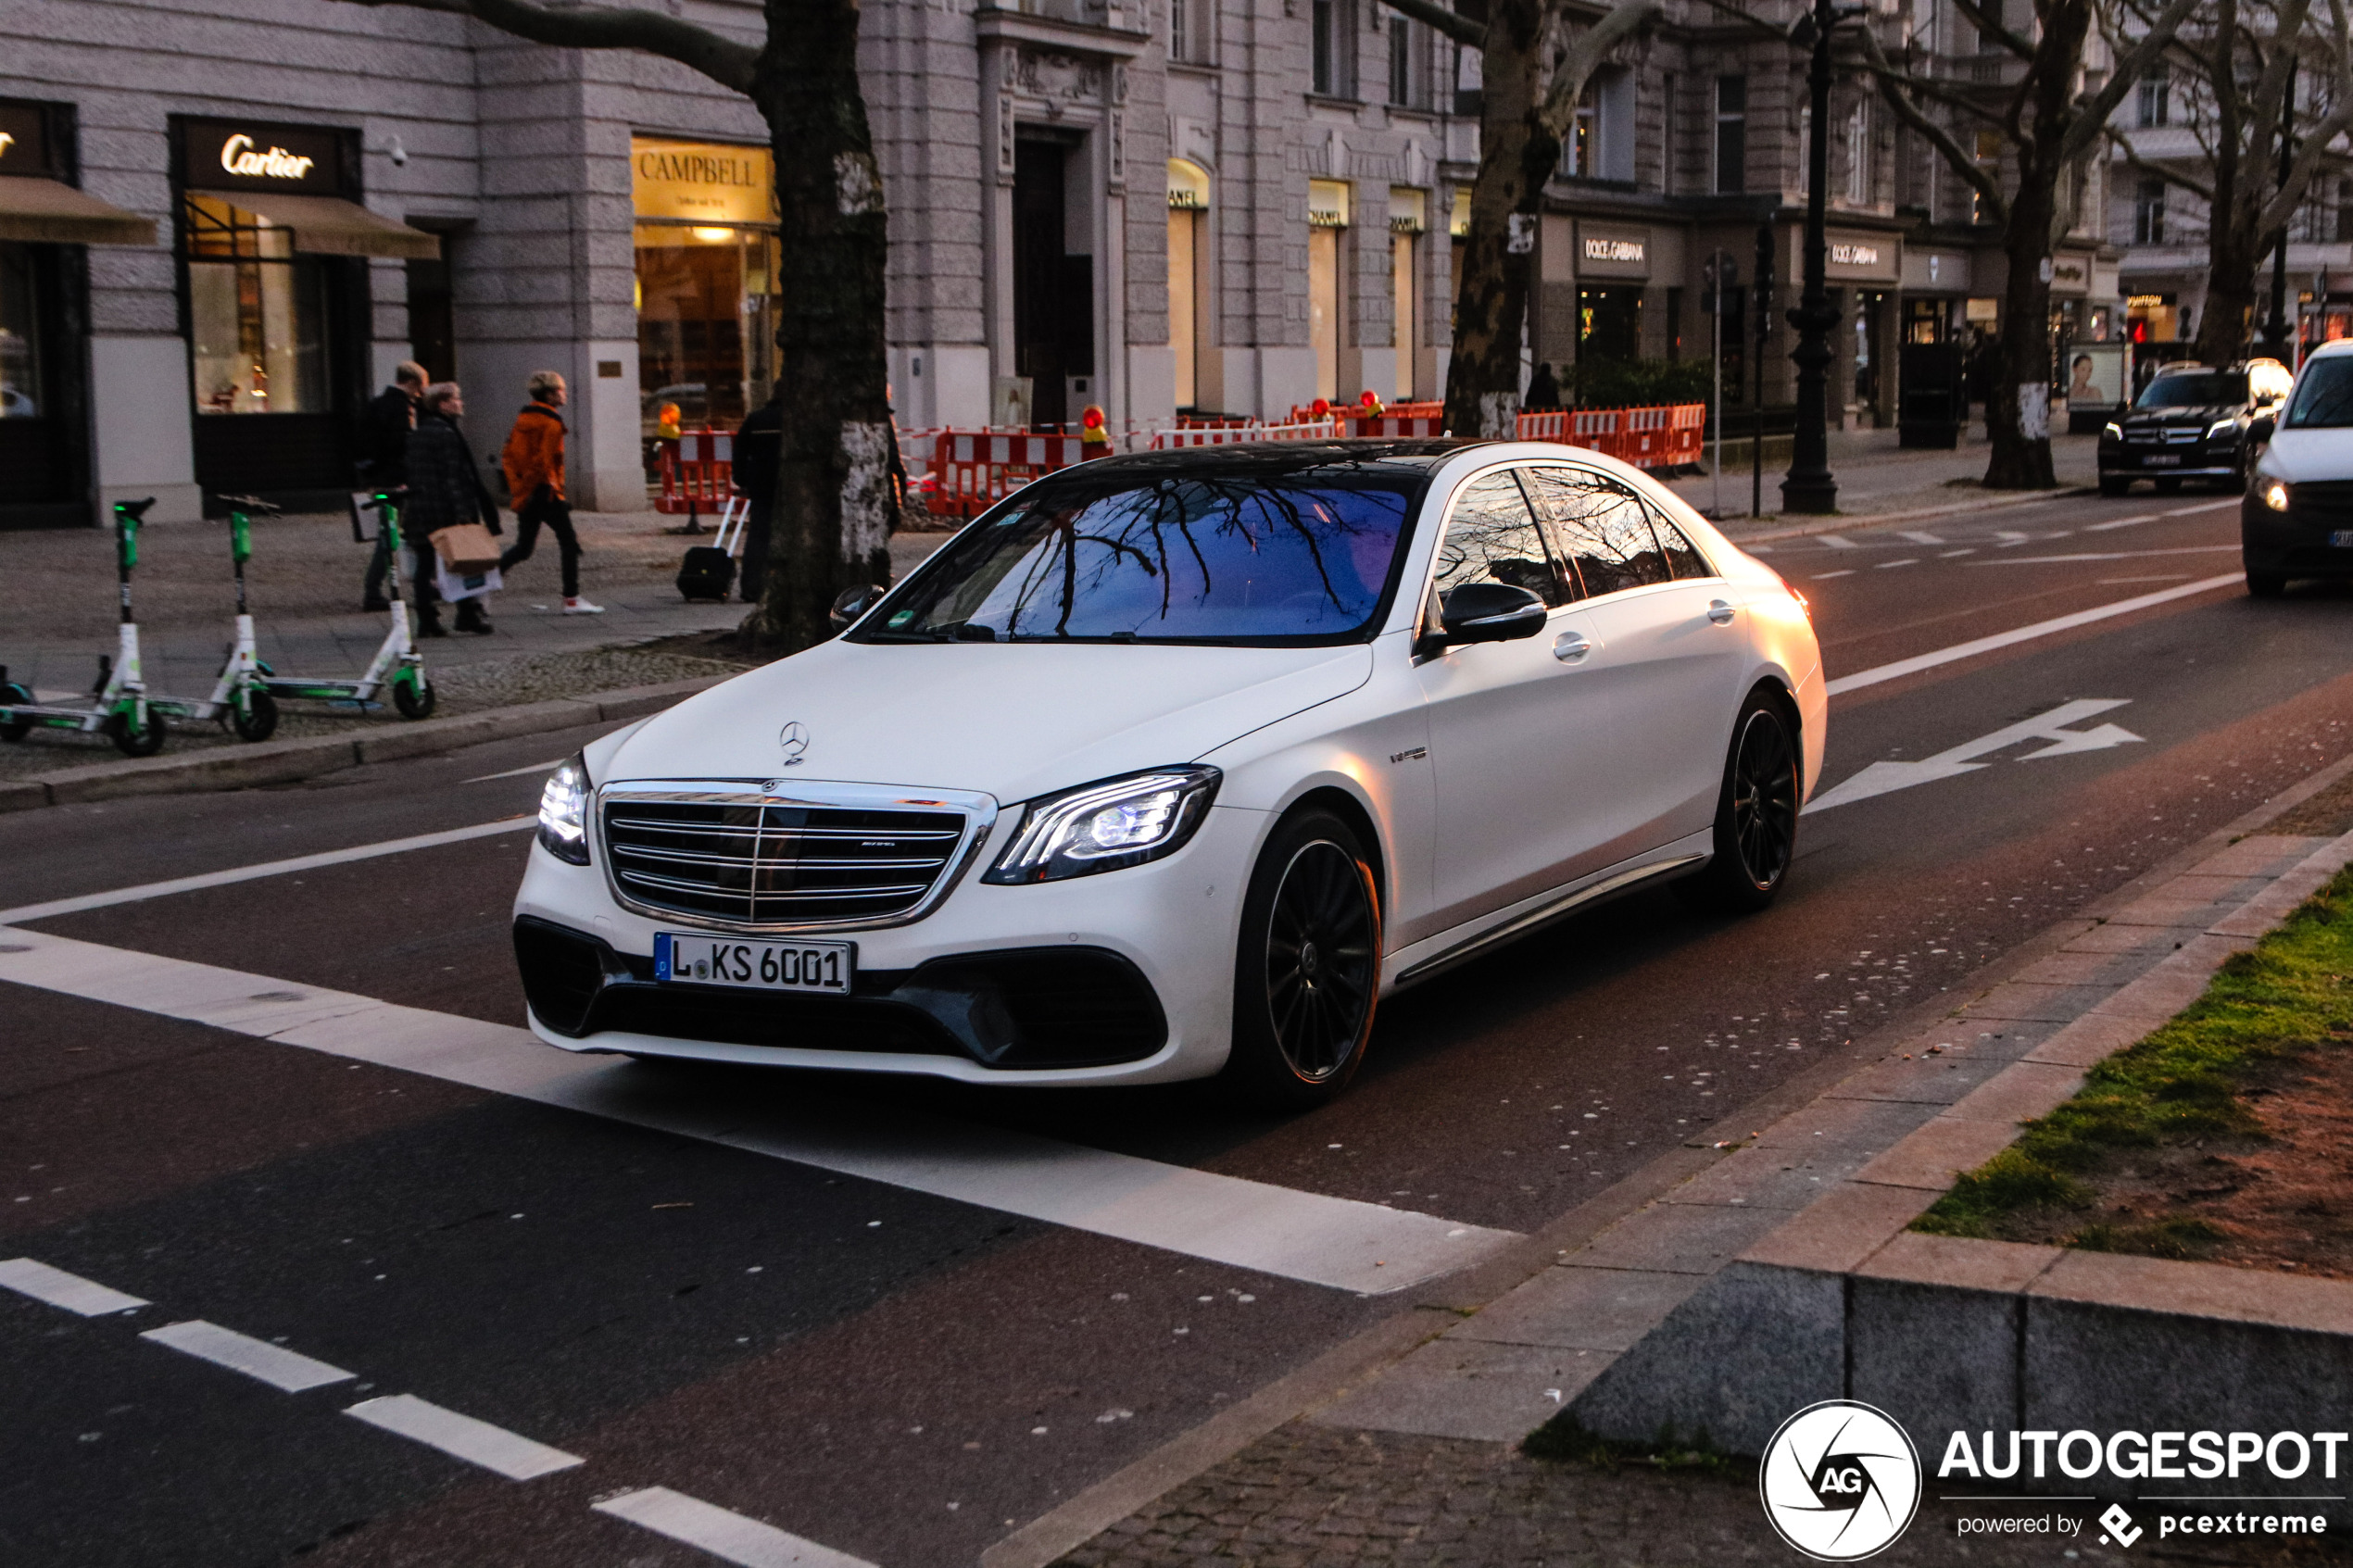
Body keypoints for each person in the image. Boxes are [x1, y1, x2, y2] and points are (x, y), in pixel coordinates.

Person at [498, 370, 600, 614]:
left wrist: (519, 490)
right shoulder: (551, 423)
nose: (565, 394)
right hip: (545, 491)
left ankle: (479, 585)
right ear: (551, 394)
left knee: (523, 548)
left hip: (528, 490)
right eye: (561, 390)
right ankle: (571, 598)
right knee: (568, 542)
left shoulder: (523, 419)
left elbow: (509, 457)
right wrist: (547, 491)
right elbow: (545, 463)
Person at [404, 383, 502, 636]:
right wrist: (463, 515)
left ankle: (427, 619)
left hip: (421, 507)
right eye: (456, 399)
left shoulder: (419, 432)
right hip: (444, 509)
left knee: (425, 565)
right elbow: (453, 477)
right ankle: (467, 613)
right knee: (462, 562)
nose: (461, 403)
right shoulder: (447, 433)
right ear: (443, 404)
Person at [356, 360, 427, 610]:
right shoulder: (403, 409)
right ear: (411, 383)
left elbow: (364, 443)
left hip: (378, 480)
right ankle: (374, 591)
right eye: (420, 388)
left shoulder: (376, 404)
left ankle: (375, 589)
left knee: (389, 532)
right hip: (397, 482)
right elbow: (402, 446)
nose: (421, 394)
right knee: (395, 533)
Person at [732, 381, 783, 604]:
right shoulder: (798, 419)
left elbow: (740, 451)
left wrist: (742, 479)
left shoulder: (756, 418)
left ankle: (752, 586)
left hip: (761, 485)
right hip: (789, 487)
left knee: (758, 537)